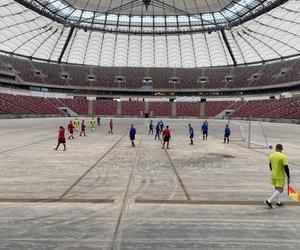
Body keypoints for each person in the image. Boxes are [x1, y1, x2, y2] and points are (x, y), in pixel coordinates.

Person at [264, 144, 290, 208]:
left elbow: (270, 165)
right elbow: (286, 167)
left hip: (273, 175)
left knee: (277, 189)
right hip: (280, 176)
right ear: (282, 149)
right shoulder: (283, 157)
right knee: (280, 190)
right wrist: (288, 177)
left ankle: (279, 202)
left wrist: (273, 171)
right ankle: (269, 200)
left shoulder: (271, 155)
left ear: (275, 148)